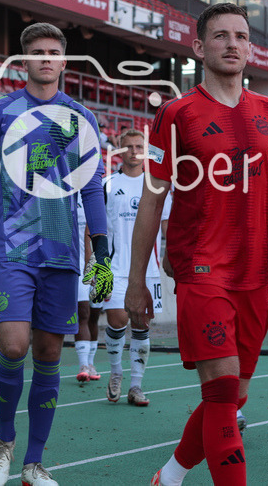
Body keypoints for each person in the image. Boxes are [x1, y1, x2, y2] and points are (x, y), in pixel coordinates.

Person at [125, 3, 268, 486]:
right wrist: (140, 280)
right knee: (220, 392)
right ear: (199, 47)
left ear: (250, 47)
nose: (232, 44)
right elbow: (152, 203)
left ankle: (171, 474)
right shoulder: (175, 115)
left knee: (232, 398)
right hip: (200, 270)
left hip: (254, 274)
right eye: (220, 36)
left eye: (240, 35)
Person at [0, 23, 109, 486]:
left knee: (49, 353)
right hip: (10, 247)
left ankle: (33, 462)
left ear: (64, 62)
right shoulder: (0, 112)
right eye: (37, 52)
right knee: (13, 344)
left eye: (53, 52)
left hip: (62, 249)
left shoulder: (82, 118)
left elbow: (91, 190)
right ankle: (3, 444)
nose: (45, 58)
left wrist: (102, 254)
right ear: (23, 61)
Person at [103, 128, 171, 406]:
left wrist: (173, 256)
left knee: (142, 324)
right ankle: (116, 371)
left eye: (138, 146)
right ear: (120, 150)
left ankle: (136, 386)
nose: (133, 151)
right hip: (115, 267)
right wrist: (96, 265)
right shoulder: (108, 184)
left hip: (148, 269)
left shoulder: (157, 185)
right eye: (128, 146)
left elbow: (167, 225)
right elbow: (95, 229)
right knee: (117, 319)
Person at [73, 197, 101, 384]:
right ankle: (83, 364)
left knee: (94, 315)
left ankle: (91, 363)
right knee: (82, 312)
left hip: (99, 261)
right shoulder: (65, 192)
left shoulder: (99, 192)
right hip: (75, 262)